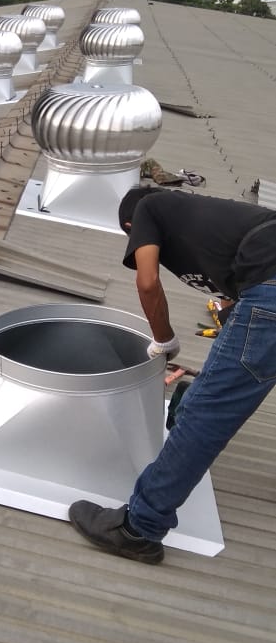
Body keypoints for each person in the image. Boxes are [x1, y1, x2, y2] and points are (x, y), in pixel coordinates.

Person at [69, 185, 276, 564]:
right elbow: (234, 310)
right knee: (202, 397)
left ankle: (139, 528)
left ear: (131, 227)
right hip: (264, 288)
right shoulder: (211, 228)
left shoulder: (148, 206)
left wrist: (164, 339)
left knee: (207, 412)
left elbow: (147, 282)